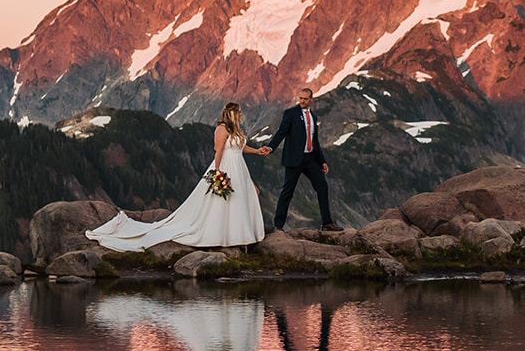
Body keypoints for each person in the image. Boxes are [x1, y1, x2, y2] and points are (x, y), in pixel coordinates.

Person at [85, 102, 272, 251]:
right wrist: (217, 173)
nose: (241, 115)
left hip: (239, 166)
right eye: (238, 112)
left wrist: (257, 151)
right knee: (225, 200)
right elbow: (218, 151)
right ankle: (227, 235)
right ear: (232, 113)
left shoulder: (236, 131)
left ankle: (241, 234)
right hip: (225, 166)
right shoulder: (222, 129)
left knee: (243, 197)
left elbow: (239, 147)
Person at [270, 86, 341, 232]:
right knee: (287, 191)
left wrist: (322, 161)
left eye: (304, 99)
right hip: (294, 160)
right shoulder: (290, 113)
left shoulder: (313, 117)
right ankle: (278, 225)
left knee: (322, 186)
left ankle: (327, 223)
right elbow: (281, 133)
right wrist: (270, 148)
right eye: (300, 98)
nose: (301, 101)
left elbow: (315, 141)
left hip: (310, 159)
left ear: (311, 100)